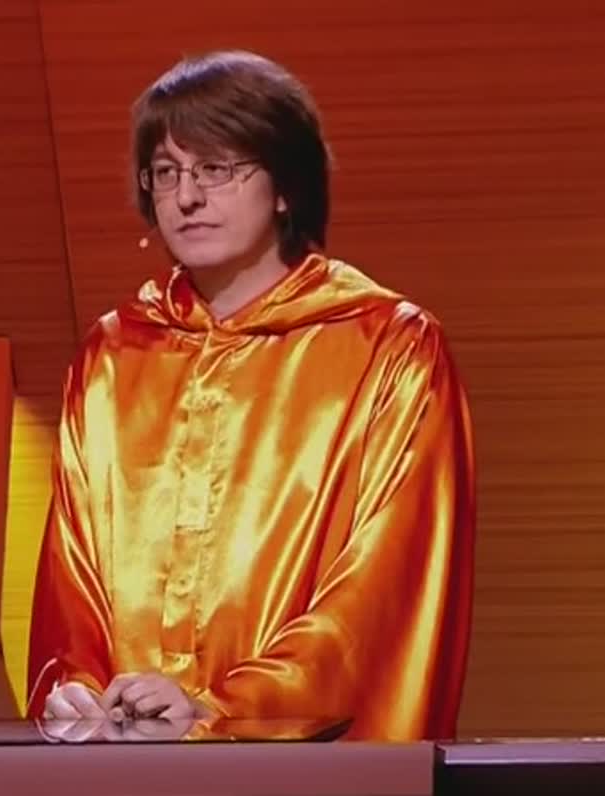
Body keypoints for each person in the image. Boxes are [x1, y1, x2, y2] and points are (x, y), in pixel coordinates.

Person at [26, 50, 476, 741]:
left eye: (216, 168)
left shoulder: (388, 346)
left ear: (285, 187)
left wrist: (221, 709)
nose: (187, 197)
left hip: (295, 762)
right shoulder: (112, 356)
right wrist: (78, 689)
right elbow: (70, 577)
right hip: (123, 768)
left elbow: (384, 591)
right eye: (166, 172)